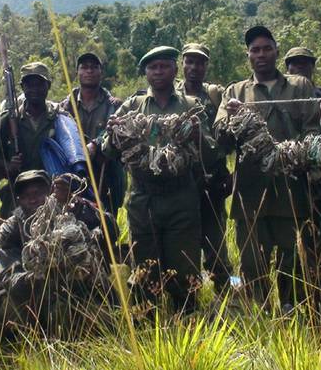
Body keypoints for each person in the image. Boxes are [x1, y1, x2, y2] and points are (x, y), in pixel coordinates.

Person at [102, 46, 218, 315]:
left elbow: (211, 154)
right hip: (144, 199)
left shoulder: (191, 106)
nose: (158, 72)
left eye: (164, 66)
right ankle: (149, 323)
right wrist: (112, 134)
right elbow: (109, 152)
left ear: (175, 70)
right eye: (152, 68)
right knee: (145, 269)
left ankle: (186, 318)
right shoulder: (132, 106)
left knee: (184, 269)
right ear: (145, 73)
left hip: (181, 197)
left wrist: (198, 134)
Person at [214, 27, 321, 310]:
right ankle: (260, 316)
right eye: (255, 50)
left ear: (276, 50)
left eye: (266, 49)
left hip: (292, 192)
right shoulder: (235, 91)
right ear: (248, 56)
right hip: (250, 194)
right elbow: (221, 139)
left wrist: (287, 154)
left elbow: (313, 131)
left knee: (293, 263)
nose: (261, 55)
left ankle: (293, 315)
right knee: (252, 264)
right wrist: (233, 120)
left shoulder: (299, 87)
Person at [0, 170, 114, 329]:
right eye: (25, 195)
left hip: (77, 294)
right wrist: (37, 276)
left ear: (50, 193)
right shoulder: (12, 228)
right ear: (19, 200)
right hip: (33, 299)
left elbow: (112, 230)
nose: (32, 199)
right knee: (10, 311)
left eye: (38, 193)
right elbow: (8, 274)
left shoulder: (71, 212)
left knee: (102, 320)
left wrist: (79, 204)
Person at [175, 43, 233, 292]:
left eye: (200, 62)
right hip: (181, 182)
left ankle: (229, 295)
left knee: (217, 249)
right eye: (189, 61)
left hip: (212, 183)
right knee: (183, 246)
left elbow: (229, 135)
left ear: (206, 65)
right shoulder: (172, 94)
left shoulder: (215, 95)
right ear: (182, 64)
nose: (194, 67)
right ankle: (189, 299)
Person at [0, 62, 71, 218]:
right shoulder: (7, 119)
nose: (34, 89)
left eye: (39, 84)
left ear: (48, 85)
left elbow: (72, 153)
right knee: (12, 238)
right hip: (17, 195)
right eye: (29, 85)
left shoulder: (60, 117)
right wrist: (8, 165)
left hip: (52, 193)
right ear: (22, 87)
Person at [59, 52, 126, 215]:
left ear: (101, 72)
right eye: (84, 67)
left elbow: (120, 133)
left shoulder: (116, 106)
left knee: (107, 223)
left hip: (106, 174)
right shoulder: (64, 108)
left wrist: (96, 144)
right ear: (78, 73)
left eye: (94, 67)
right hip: (75, 175)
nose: (89, 71)